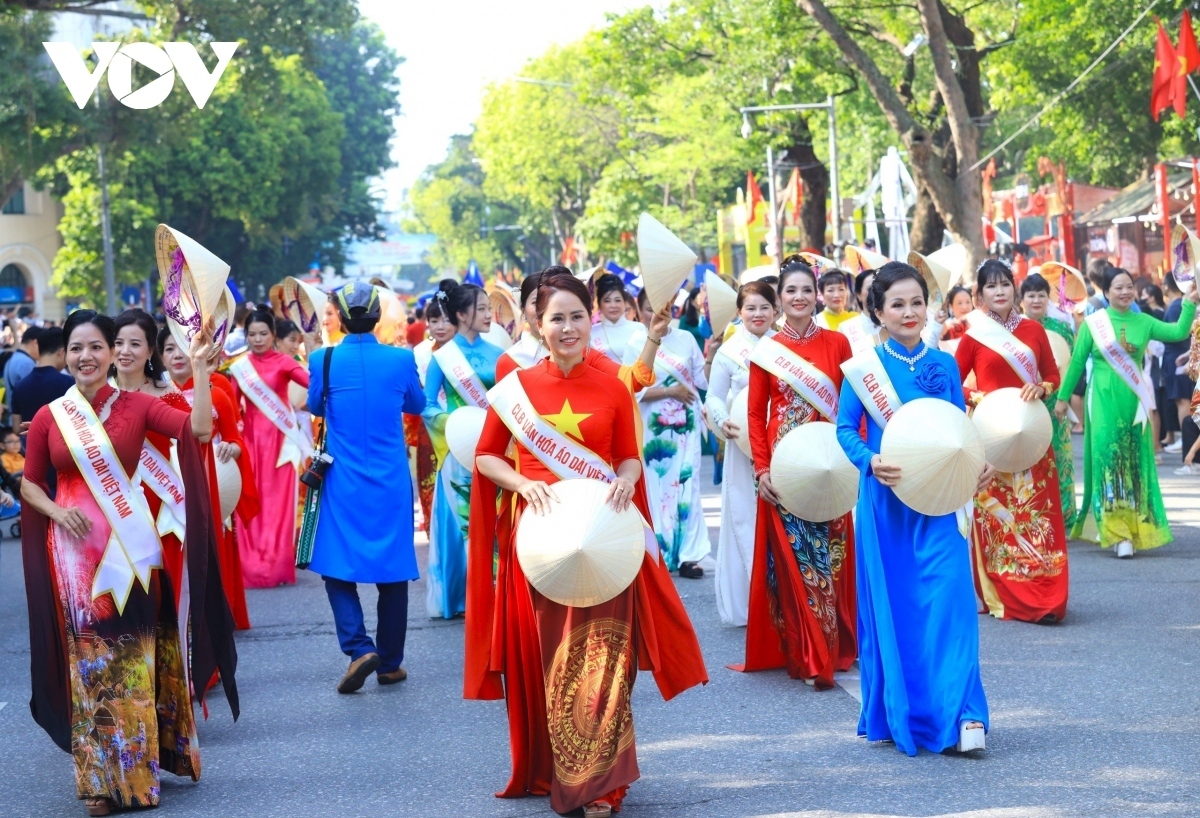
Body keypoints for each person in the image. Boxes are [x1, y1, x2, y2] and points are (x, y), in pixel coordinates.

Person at [467, 269, 707, 818]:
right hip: (545, 544)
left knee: (606, 657)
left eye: (578, 316)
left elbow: (627, 454)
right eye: (557, 318)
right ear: (536, 323)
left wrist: (626, 477)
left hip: (603, 540)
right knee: (554, 659)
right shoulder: (517, 390)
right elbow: (486, 456)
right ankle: (561, 769)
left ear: (590, 319)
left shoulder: (612, 386)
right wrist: (524, 482)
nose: (569, 327)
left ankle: (602, 784)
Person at [20, 310, 238, 815]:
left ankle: (135, 778)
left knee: (132, 660)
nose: (87, 357)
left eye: (97, 346)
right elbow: (30, 481)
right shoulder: (54, 416)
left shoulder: (139, 405)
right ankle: (100, 781)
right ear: (65, 355)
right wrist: (56, 511)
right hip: (75, 560)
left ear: (112, 351)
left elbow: (199, 429)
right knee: (90, 663)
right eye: (77, 348)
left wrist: (202, 370)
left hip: (131, 552)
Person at [836, 262, 992, 756]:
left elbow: (957, 426)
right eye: (897, 304)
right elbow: (844, 429)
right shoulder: (864, 370)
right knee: (901, 609)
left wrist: (977, 463)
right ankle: (906, 710)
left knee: (952, 602)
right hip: (888, 503)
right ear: (877, 310)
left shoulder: (945, 364)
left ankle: (964, 715)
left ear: (929, 307)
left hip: (940, 501)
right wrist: (869, 459)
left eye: (916, 302)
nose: (908, 312)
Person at [738, 258, 855, 686]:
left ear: (818, 294)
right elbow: (755, 414)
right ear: (780, 298)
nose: (800, 297)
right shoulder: (766, 351)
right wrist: (763, 469)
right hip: (785, 468)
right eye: (791, 291)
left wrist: (854, 459)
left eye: (807, 289)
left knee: (832, 555)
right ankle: (809, 650)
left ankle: (836, 642)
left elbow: (851, 406)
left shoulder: (838, 343)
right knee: (798, 560)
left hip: (830, 464)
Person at [306, 282, 426, 692]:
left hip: (343, 480)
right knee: (392, 572)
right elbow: (416, 404)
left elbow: (316, 406)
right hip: (390, 480)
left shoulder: (323, 359)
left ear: (338, 317)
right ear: (378, 316)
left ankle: (359, 647)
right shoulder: (400, 359)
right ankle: (390, 662)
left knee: (336, 567)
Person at [1055, 268, 1199, 556]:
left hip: (1135, 402)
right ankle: (1116, 530)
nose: (1124, 292)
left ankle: (1136, 525)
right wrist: (1061, 399)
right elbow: (1076, 363)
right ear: (1106, 292)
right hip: (1104, 400)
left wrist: (1190, 302)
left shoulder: (1143, 321)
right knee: (1109, 458)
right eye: (1118, 287)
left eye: (1129, 286)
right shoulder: (1094, 324)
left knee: (1133, 459)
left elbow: (1178, 332)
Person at [955, 262, 1068, 623]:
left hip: (1031, 434)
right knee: (999, 516)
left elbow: (1052, 374)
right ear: (980, 294)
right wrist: (978, 398)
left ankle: (1047, 592)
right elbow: (952, 384)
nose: (999, 291)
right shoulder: (973, 335)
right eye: (991, 286)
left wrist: (1043, 387)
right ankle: (1006, 591)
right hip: (992, 437)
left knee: (1037, 513)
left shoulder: (1034, 330)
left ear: (1014, 289)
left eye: (1005, 284)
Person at [160, 329, 258, 630]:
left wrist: (232, 447)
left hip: (211, 480)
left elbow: (235, 438)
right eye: (168, 349)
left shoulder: (216, 393)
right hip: (165, 484)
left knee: (214, 549)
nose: (176, 355)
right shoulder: (153, 394)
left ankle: (218, 617)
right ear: (159, 356)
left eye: (182, 349)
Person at [421, 279, 503, 618]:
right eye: (481, 309)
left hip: (495, 447)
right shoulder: (441, 359)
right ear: (461, 314)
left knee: (495, 517)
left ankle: (497, 590)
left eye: (488, 308)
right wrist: (457, 424)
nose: (488, 315)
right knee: (465, 523)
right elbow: (427, 406)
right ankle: (465, 596)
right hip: (458, 450)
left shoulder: (499, 354)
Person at [623, 288, 711, 578]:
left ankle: (689, 555)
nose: (656, 314)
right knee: (656, 486)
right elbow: (629, 390)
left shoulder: (686, 339)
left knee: (687, 485)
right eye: (650, 309)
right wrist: (669, 391)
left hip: (686, 425)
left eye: (663, 307)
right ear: (638, 309)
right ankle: (657, 549)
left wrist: (715, 352)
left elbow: (702, 379)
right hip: (651, 427)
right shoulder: (636, 341)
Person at [708, 280, 777, 626]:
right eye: (750, 308)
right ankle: (756, 600)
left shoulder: (785, 346)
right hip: (743, 447)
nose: (758, 314)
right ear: (739, 313)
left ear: (775, 310)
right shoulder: (730, 351)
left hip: (783, 447)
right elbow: (713, 398)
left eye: (765, 307)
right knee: (746, 516)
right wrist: (724, 422)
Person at [230, 308, 311, 587]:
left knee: (278, 505)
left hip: (281, 443)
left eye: (263, 333)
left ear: (273, 335)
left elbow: (313, 385)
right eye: (252, 334)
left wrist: (311, 351)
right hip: (251, 443)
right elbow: (232, 408)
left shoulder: (285, 363)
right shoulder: (239, 367)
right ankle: (251, 565)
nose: (258, 339)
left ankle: (277, 565)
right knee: (253, 503)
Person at [1020, 273, 1077, 529]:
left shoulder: (1062, 328)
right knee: (1030, 460)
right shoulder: (1014, 330)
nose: (1036, 300)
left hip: (1056, 402)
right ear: (1021, 300)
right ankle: (1034, 515)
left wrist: (1063, 397)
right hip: (1026, 403)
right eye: (1030, 295)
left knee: (1061, 459)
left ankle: (1064, 518)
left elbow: (1072, 365)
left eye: (1041, 294)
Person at [410, 291, 457, 533]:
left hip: (461, 427)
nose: (440, 326)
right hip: (430, 428)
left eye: (446, 320)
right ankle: (433, 529)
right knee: (429, 481)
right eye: (434, 320)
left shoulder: (465, 353)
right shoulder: (418, 353)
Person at [1161, 274, 1197, 455]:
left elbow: (1180, 333)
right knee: (1181, 400)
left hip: (1179, 358)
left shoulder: (1178, 307)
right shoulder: (1181, 305)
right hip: (1179, 358)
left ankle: (1187, 441)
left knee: (1183, 400)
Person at [11, 325, 71, 428]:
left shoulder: (19, 386)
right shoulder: (69, 383)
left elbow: (17, 428)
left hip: (29, 443)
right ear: (62, 352)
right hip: (59, 442)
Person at [590, 273, 642, 363]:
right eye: (607, 301)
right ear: (599, 304)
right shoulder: (591, 333)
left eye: (617, 300)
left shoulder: (639, 329)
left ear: (624, 302)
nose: (613, 305)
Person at [4, 325, 40, 413]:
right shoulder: (26, 362)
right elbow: (34, 393)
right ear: (35, 343)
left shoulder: (16, 357)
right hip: (21, 419)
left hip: (14, 416)